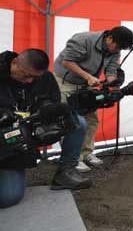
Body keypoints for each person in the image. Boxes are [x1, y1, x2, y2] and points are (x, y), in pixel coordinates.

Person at [0, 49, 91, 208]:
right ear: (14, 63)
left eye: (35, 77)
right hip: (4, 139)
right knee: (7, 198)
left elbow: (52, 102)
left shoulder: (45, 78)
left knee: (77, 123)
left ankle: (65, 171)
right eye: (26, 75)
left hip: (27, 132)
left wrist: (46, 110)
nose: (29, 81)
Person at [54, 26, 133, 172]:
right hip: (66, 82)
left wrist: (114, 86)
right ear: (109, 38)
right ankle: (72, 158)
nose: (117, 51)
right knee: (73, 121)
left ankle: (86, 153)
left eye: (120, 49)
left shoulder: (115, 49)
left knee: (92, 119)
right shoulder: (83, 39)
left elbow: (110, 71)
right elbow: (67, 62)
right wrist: (88, 77)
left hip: (87, 83)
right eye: (117, 46)